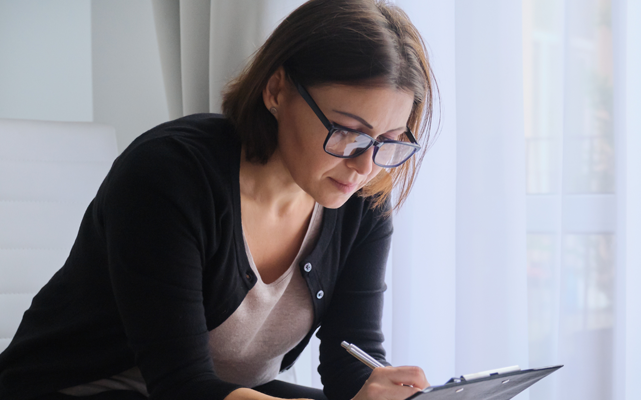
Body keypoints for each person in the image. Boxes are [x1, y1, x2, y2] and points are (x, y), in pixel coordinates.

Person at [0, 0, 439, 399]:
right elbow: (182, 385)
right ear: (277, 91)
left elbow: (350, 367)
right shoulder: (169, 174)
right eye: (346, 131)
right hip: (78, 388)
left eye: (390, 141)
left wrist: (382, 389)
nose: (366, 166)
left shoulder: (361, 198)